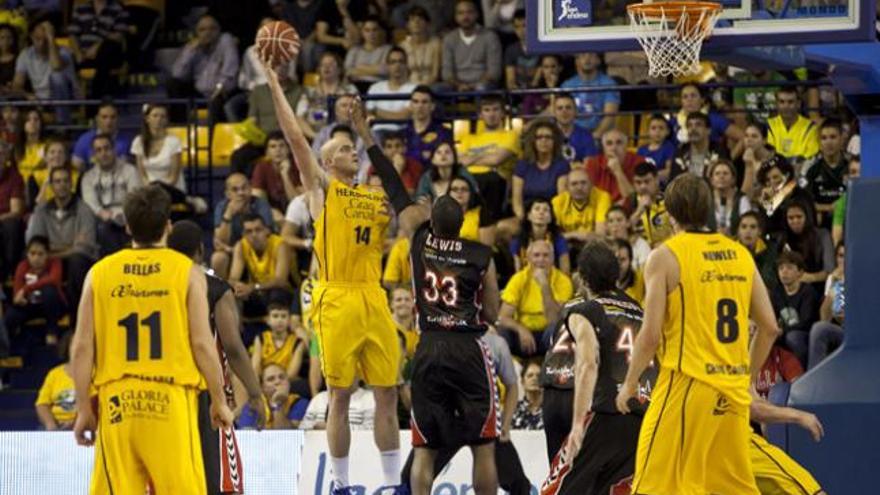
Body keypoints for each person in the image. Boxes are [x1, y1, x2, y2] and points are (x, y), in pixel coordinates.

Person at [263, 48, 404, 492]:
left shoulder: (374, 194)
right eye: (343, 148)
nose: (351, 151)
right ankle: (341, 484)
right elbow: (294, 138)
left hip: (373, 295)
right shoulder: (322, 191)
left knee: (387, 394)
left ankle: (389, 482)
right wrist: (274, 83)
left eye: (351, 146)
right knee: (339, 396)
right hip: (337, 296)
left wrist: (367, 131)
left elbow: (395, 184)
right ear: (327, 163)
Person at [350, 92, 503, 495]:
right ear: (464, 222)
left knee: (424, 450)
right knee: (484, 448)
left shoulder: (419, 240)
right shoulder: (481, 254)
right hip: (468, 347)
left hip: (429, 346)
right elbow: (493, 310)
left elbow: (395, 186)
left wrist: (365, 133)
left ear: (431, 219)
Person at [615, 174, 780, 495]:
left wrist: (630, 383)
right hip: (731, 391)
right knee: (733, 487)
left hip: (685, 387)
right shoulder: (740, 254)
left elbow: (649, 335)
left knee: (651, 485)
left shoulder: (665, 256)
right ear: (706, 208)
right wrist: (747, 377)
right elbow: (770, 327)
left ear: (670, 212)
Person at [71, 185, 234, 494]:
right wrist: (218, 399)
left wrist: (83, 408)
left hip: (118, 402)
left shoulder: (99, 273)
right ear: (168, 226)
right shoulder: (187, 272)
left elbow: (81, 348)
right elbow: (202, 343)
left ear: (128, 226)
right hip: (170, 400)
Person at [542, 238, 655, 495]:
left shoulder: (581, 307)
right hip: (639, 412)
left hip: (585, 401)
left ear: (582, 277)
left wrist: (578, 424)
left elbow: (586, 362)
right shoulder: (640, 310)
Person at [167, 219, 266, 495]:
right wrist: (256, 395)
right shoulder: (215, 288)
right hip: (206, 395)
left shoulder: (156, 287)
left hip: (165, 393)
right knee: (219, 483)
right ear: (200, 250)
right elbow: (233, 348)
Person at [25, 166, 96, 316]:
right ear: (51, 186)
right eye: (57, 181)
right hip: (50, 261)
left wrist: (51, 250)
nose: (62, 185)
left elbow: (84, 247)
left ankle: (76, 321)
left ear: (71, 184)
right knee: (28, 259)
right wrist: (70, 246)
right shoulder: (42, 210)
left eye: (65, 181)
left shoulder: (84, 210)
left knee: (77, 261)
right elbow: (35, 243)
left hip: (75, 262)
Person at [500, 239, 574, 358]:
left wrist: (544, 285)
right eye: (536, 255)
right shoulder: (518, 279)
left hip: (548, 334)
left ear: (552, 259)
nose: (541, 260)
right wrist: (521, 330)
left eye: (546, 255)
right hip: (523, 335)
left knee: (558, 329)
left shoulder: (563, 281)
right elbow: (503, 317)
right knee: (502, 331)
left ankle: (555, 369)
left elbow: (554, 319)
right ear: (528, 259)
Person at [458, 94, 521, 222]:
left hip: (494, 181)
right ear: (480, 115)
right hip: (468, 180)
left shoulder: (511, 135)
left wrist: (472, 157)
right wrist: (487, 156)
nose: (491, 114)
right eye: (487, 110)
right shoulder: (468, 138)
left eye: (495, 109)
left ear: (503, 113)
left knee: (490, 180)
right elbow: (460, 161)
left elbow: (496, 160)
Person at [80, 133, 143, 256]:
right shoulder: (88, 177)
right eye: (99, 150)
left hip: (128, 217)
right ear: (94, 154)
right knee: (104, 229)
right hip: (102, 220)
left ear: (114, 149)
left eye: (107, 148)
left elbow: (135, 197)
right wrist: (103, 214)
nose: (103, 153)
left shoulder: (130, 170)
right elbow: (91, 203)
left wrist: (123, 215)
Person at [169, 13, 240, 123]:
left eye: (212, 29)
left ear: (219, 31)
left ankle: (213, 137)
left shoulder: (225, 40)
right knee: (173, 84)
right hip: (200, 93)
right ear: (197, 33)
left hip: (222, 92)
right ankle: (180, 126)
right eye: (202, 30)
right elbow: (177, 74)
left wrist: (218, 89)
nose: (207, 33)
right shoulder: (193, 47)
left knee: (218, 99)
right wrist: (190, 50)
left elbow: (230, 72)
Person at [4, 235, 66, 346]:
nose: (36, 258)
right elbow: (17, 293)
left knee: (49, 291)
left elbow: (53, 279)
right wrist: (19, 298)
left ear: (47, 254)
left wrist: (26, 289)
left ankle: (52, 332)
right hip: (30, 304)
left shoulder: (54, 263)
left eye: (40, 254)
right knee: (11, 315)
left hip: (52, 305)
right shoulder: (23, 266)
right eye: (32, 253)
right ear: (27, 254)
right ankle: (11, 345)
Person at [211, 173, 274, 279]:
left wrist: (233, 250)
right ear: (227, 194)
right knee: (218, 258)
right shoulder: (222, 207)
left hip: (257, 252)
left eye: (244, 188)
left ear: (250, 188)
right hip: (231, 252)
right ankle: (222, 292)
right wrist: (228, 214)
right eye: (235, 190)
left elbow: (264, 238)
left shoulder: (261, 204)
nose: (241, 193)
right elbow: (219, 241)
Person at [228, 213, 293, 317]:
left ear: (267, 231)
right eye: (249, 231)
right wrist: (239, 287)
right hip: (257, 291)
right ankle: (239, 331)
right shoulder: (240, 246)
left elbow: (281, 280)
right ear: (243, 235)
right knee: (234, 294)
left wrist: (253, 287)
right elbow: (233, 278)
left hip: (280, 291)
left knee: (277, 293)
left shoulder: (280, 245)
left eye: (258, 230)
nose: (254, 235)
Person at [12, 21, 77, 123]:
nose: (41, 44)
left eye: (45, 40)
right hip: (41, 101)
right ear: (32, 37)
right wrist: (27, 95)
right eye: (38, 39)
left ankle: (62, 126)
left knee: (57, 76)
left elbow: (56, 66)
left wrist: (51, 39)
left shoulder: (64, 52)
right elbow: (16, 85)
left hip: (67, 98)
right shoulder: (25, 54)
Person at [66, 0, 130, 98]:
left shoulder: (119, 9)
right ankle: (84, 98)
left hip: (109, 55)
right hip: (84, 55)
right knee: (65, 57)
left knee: (108, 49)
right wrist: (78, 53)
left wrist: (98, 46)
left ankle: (95, 99)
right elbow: (72, 35)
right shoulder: (80, 9)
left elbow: (119, 36)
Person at [511, 119, 570, 221]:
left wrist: (547, 220)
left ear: (555, 141)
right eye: (539, 137)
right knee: (501, 228)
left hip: (551, 216)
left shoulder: (562, 165)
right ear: (532, 141)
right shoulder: (522, 165)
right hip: (526, 216)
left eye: (548, 137)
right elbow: (517, 201)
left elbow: (562, 201)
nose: (544, 141)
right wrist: (524, 220)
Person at [770, 250, 819, 368]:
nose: (784, 272)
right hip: (783, 333)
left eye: (789, 268)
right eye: (781, 268)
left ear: (800, 273)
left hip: (804, 336)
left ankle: (804, 372)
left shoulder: (808, 292)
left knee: (793, 337)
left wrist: (782, 331)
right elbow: (772, 316)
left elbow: (806, 323)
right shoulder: (777, 292)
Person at [441, 0, 502, 91]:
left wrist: (473, 86)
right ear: (455, 17)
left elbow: (494, 72)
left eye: (469, 12)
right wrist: (459, 85)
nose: (465, 17)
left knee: (481, 88)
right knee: (437, 89)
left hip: (483, 84)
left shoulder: (490, 37)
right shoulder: (449, 39)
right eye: (460, 13)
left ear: (477, 14)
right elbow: (447, 73)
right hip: (456, 85)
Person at [295, 52, 358, 140]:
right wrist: (316, 137)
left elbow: (357, 115)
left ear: (339, 69)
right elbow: (299, 118)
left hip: (345, 135)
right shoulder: (309, 92)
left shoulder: (350, 90)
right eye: (323, 65)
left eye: (331, 64)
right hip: (314, 136)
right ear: (319, 69)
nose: (326, 67)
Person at [552, 168, 612, 254]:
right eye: (574, 184)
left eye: (583, 183)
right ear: (567, 187)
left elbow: (600, 236)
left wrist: (568, 235)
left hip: (595, 249)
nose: (579, 188)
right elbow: (554, 237)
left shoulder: (602, 197)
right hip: (567, 248)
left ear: (591, 184)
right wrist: (576, 234)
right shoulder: (558, 202)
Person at [560, 52, 619, 139]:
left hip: (599, 136)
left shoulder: (609, 83)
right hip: (573, 135)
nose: (587, 59)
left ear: (598, 60)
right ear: (577, 61)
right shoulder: (567, 85)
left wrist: (594, 136)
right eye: (583, 55)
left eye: (591, 55)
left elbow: (609, 116)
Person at [776, 201, 834, 287]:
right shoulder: (783, 239)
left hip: (818, 288)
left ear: (807, 217)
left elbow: (830, 270)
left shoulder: (822, 235)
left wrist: (810, 277)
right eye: (791, 218)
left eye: (799, 217)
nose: (795, 221)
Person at [803, 119, 849, 227]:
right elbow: (805, 203)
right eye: (824, 138)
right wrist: (829, 208)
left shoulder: (851, 166)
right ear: (819, 142)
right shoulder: (812, 170)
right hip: (822, 225)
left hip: (849, 221)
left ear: (842, 139)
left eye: (833, 137)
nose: (828, 142)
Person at [251, 131, 303, 223]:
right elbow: (258, 199)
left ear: (289, 149)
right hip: (274, 215)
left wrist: (285, 176)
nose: (278, 150)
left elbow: (298, 203)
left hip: (297, 215)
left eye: (282, 146)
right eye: (273, 146)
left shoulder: (298, 167)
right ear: (267, 152)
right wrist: (270, 211)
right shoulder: (261, 167)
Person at [237, 363, 309, 429]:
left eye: (282, 377)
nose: (277, 382)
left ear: (288, 383)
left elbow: (285, 436)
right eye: (271, 379)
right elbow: (246, 434)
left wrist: (277, 404)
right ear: (262, 388)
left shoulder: (300, 403)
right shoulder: (253, 405)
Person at [757, 156, 816, 236]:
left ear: (787, 175)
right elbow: (765, 230)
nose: (772, 182)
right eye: (767, 180)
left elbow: (808, 224)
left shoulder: (802, 195)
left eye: (775, 177)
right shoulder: (768, 200)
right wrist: (766, 204)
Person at [808, 242, 845, 369]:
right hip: (842, 330)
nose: (843, 260)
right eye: (840, 256)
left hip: (861, 332)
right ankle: (815, 381)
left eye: (847, 256)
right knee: (819, 328)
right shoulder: (833, 278)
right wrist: (833, 287)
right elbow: (825, 318)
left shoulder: (866, 277)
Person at [510, 199, 571, 273]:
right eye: (537, 209)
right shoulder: (518, 239)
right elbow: (517, 270)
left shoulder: (558, 239)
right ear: (529, 216)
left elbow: (565, 270)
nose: (541, 212)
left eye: (545, 210)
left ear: (550, 218)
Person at [250, 302, 305, 381]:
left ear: (289, 320)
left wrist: (278, 384)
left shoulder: (298, 342)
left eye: (283, 316)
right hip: (264, 381)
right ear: (268, 320)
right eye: (275, 316)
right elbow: (255, 367)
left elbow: (292, 374)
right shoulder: (261, 338)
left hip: (287, 383)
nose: (279, 320)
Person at [35, 333, 80, 430]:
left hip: (84, 426)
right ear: (68, 347)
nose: (78, 348)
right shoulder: (54, 374)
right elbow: (42, 404)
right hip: (56, 425)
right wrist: (50, 424)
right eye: (74, 344)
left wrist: (77, 423)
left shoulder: (96, 373)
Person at [366, 47, 416, 133]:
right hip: (378, 132)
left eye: (401, 61)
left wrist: (377, 111)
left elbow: (403, 117)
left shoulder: (415, 89)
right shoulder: (375, 88)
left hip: (403, 133)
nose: (397, 65)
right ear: (387, 66)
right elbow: (368, 113)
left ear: (406, 65)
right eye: (393, 62)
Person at [766, 87, 818, 170]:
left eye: (790, 102)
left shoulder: (811, 127)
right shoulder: (768, 125)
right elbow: (768, 156)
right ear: (776, 104)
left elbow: (809, 160)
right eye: (782, 102)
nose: (786, 106)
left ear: (798, 104)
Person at [585, 129, 642, 204]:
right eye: (609, 144)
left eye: (619, 143)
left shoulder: (638, 162)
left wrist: (618, 172)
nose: (614, 148)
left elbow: (633, 202)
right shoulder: (593, 163)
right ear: (603, 148)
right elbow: (588, 198)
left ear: (626, 146)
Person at [71, 102, 133, 170]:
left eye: (113, 117)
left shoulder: (128, 141)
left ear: (118, 118)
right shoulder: (84, 140)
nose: (109, 121)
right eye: (104, 117)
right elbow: (76, 166)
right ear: (97, 118)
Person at [669, 112, 729, 181]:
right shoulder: (680, 153)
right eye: (689, 125)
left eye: (698, 125)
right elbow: (673, 182)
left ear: (708, 130)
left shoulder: (720, 152)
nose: (693, 129)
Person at [625, 162, 672, 248]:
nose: (643, 186)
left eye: (647, 182)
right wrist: (638, 211)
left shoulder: (670, 201)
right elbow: (621, 231)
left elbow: (680, 232)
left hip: (665, 250)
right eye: (638, 182)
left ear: (656, 180)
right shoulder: (630, 202)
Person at [402, 85, 451, 166]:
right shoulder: (402, 133)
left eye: (424, 102)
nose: (420, 106)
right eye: (416, 101)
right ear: (410, 105)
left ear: (432, 106)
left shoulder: (443, 132)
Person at [344, 16, 391, 92]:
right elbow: (348, 71)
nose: (371, 33)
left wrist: (359, 67)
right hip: (356, 87)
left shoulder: (388, 50)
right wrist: (375, 70)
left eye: (374, 30)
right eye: (367, 30)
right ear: (362, 32)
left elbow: (385, 70)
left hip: (380, 86)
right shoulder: (354, 51)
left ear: (380, 31)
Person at [552, 92, 597, 167]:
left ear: (575, 111)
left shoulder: (586, 135)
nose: (564, 111)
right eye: (560, 108)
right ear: (554, 113)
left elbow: (590, 164)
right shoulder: (547, 135)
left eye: (568, 107)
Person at [707, 160, 752, 236]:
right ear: (712, 180)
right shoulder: (705, 199)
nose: (721, 176)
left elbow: (748, 225)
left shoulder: (741, 199)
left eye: (725, 173)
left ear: (733, 179)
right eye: (717, 174)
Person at [0, 141, 24, 279]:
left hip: (5, 222)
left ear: (7, 157)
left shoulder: (14, 177)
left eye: (2, 154)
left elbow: (15, 211)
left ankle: (10, 273)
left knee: (12, 225)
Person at [399, 6, 441, 86]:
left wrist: (423, 87)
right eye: (412, 20)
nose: (416, 22)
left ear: (428, 24)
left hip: (431, 86)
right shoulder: (402, 46)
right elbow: (403, 74)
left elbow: (435, 75)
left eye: (420, 19)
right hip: (409, 86)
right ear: (407, 25)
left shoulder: (436, 43)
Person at [605, 205, 650, 270]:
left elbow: (646, 271)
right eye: (611, 221)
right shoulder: (604, 248)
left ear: (628, 223)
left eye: (619, 220)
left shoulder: (640, 245)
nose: (615, 225)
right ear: (606, 226)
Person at [636, 114, 675, 182]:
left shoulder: (669, 148)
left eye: (661, 128)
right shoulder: (641, 150)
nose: (657, 131)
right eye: (653, 128)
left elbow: (669, 171)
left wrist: (651, 178)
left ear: (667, 131)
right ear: (648, 131)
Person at [512, 361, 544, 430]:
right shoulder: (513, 410)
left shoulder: (551, 410)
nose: (534, 379)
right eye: (530, 376)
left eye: (538, 376)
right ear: (523, 382)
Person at [614, 238, 645, 304]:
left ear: (630, 260)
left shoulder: (641, 279)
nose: (618, 264)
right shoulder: (605, 285)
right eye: (615, 259)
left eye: (622, 259)